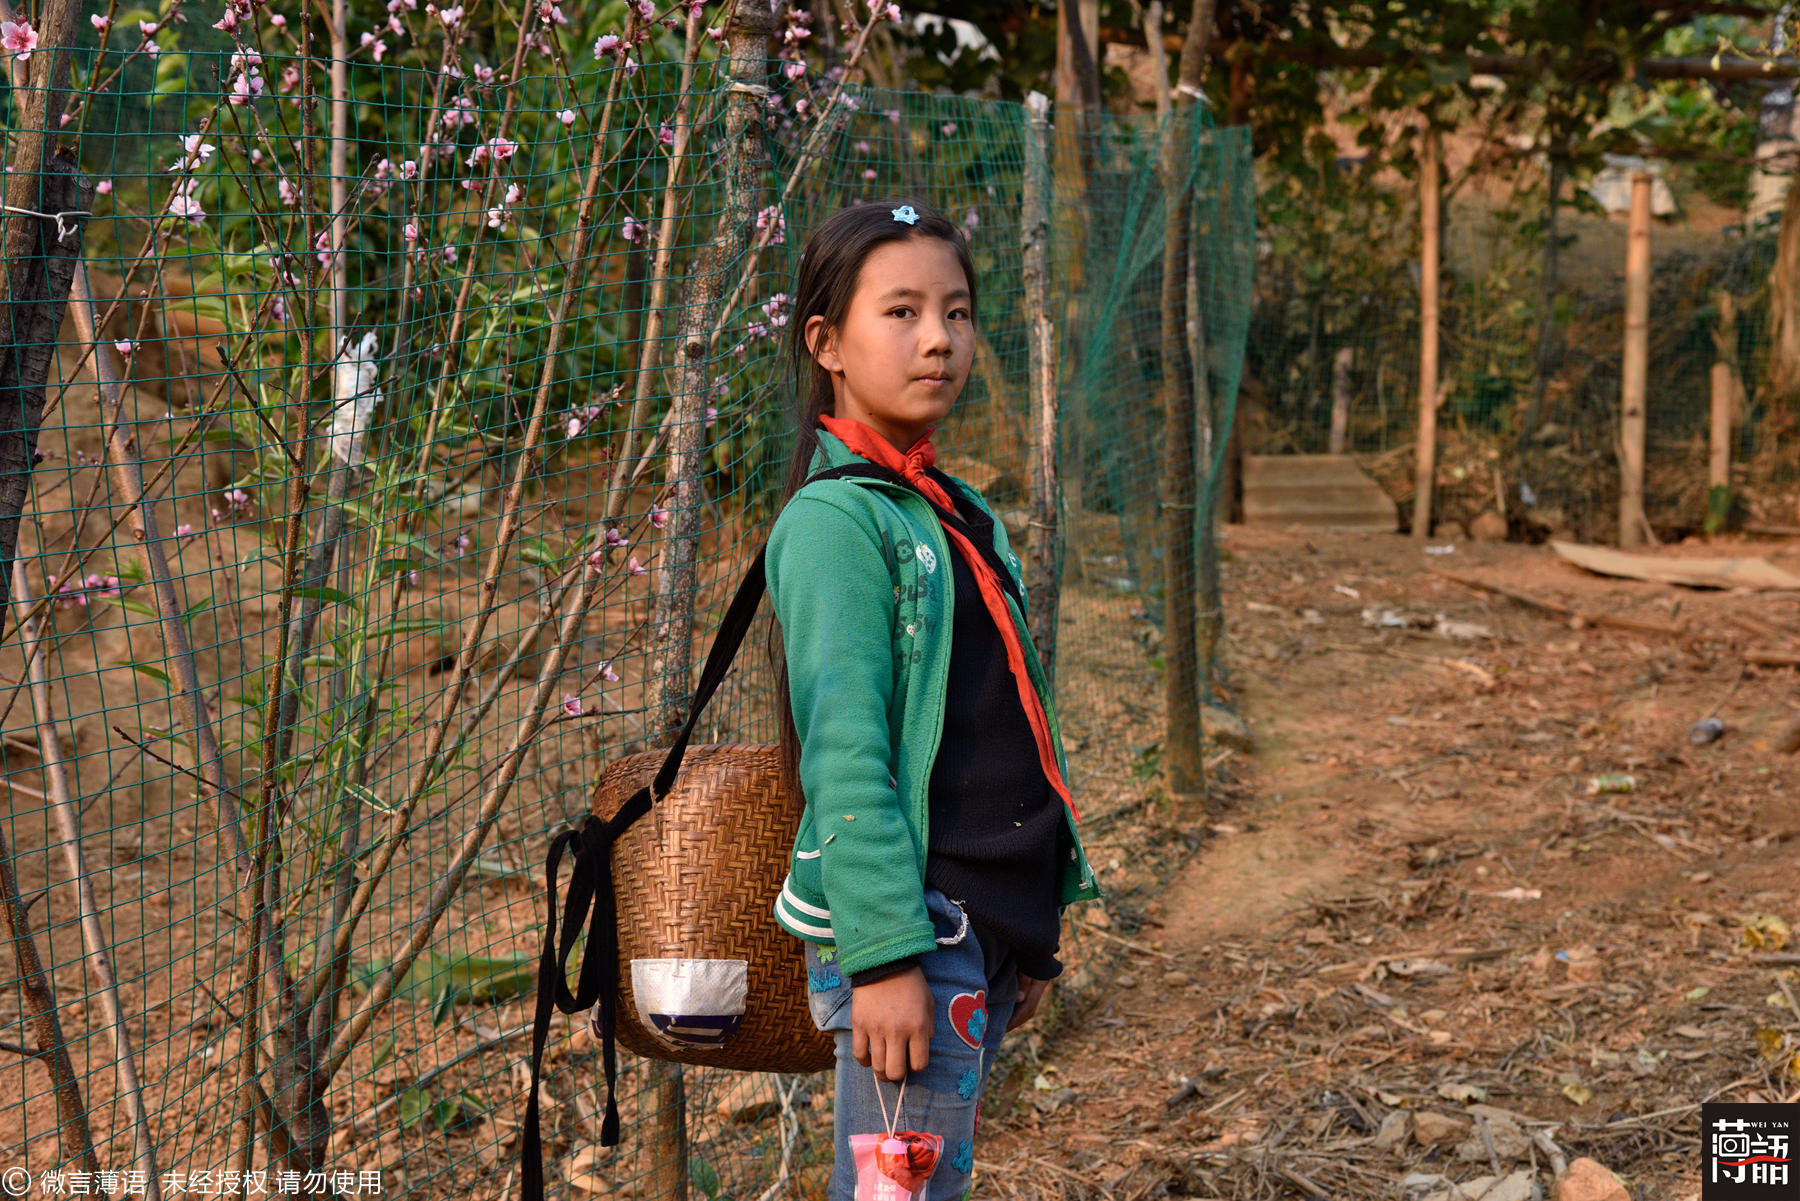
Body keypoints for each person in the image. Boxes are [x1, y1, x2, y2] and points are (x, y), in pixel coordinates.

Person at [764, 197, 1104, 1200]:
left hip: (985, 927)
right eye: (902, 313)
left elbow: (1011, 720)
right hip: (916, 933)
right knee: (896, 1194)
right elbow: (845, 749)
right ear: (825, 342)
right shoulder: (836, 523)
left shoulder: (959, 511)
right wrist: (880, 959)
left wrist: (1035, 922)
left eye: (956, 313)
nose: (940, 340)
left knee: (925, 1184)